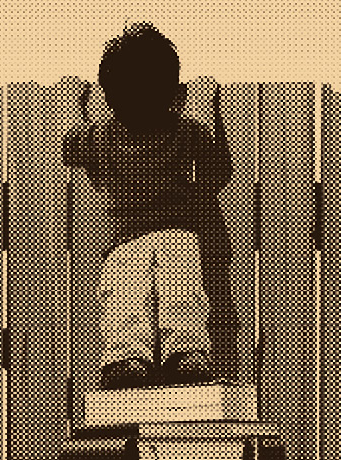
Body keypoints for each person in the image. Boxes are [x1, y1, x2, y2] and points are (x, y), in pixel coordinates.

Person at [61, 21, 239, 390]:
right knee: (183, 291)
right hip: (180, 232)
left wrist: (79, 106)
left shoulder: (100, 134)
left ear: (110, 97)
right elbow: (219, 173)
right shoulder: (187, 130)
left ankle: (126, 359)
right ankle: (187, 353)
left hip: (124, 240)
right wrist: (216, 114)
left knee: (124, 299)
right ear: (174, 92)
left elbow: (69, 149)